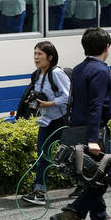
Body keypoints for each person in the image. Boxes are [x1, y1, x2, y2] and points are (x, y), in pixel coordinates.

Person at [50, 27, 111, 220]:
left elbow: (82, 99)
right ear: (107, 47)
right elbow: (96, 105)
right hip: (94, 131)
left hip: (77, 129)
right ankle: (70, 215)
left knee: (93, 177)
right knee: (101, 177)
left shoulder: (79, 68)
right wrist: (93, 139)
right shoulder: (100, 70)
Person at [22, 41, 71, 206]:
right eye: (35, 54)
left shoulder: (56, 73)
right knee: (43, 155)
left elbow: (68, 96)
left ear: (50, 57)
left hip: (61, 120)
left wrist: (48, 104)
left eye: (39, 54)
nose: (36, 57)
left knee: (70, 155)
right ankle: (40, 192)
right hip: (46, 121)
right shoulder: (37, 74)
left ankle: (84, 184)